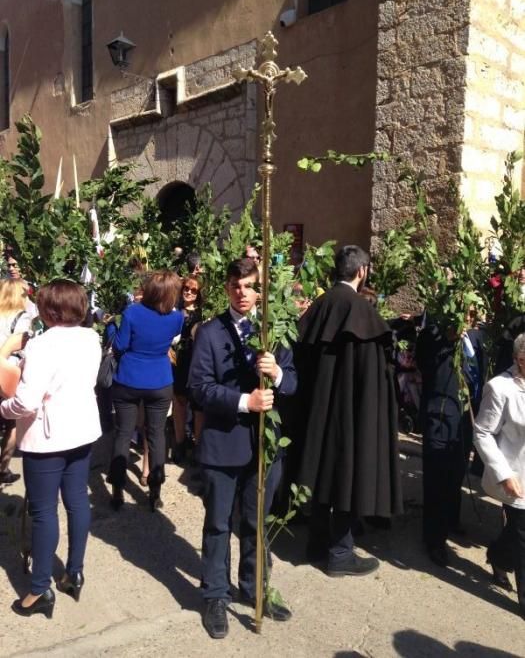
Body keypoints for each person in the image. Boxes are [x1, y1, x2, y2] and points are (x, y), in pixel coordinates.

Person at [188, 258, 297, 639]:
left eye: (250, 285)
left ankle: (254, 588)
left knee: (257, 523)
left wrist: (278, 374)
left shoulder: (273, 329)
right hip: (223, 443)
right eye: (236, 285)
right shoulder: (211, 333)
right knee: (219, 523)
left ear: (260, 288)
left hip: (264, 448)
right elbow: (198, 386)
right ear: (226, 289)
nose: (243, 292)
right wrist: (242, 401)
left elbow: (294, 382)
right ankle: (215, 594)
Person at [297, 245, 402, 576]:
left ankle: (316, 544)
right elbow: (373, 376)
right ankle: (340, 554)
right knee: (345, 474)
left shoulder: (320, 305)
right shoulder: (361, 311)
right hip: (351, 412)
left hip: (317, 409)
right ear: (362, 271)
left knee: (320, 470)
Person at [0, 279, 101, 618]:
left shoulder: (43, 347)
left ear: (48, 309)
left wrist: (3, 409)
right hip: (81, 430)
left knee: (44, 511)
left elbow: (26, 403)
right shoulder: (91, 338)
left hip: (48, 438)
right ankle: (75, 570)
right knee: (76, 502)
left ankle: (40, 587)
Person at [107, 270, 183, 512]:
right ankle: (155, 491)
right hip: (160, 380)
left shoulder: (132, 313)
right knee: (157, 435)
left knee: (123, 433)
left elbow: (119, 346)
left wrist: (110, 326)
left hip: (129, 378)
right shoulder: (177, 318)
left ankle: (117, 490)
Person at [416, 309, 486, 566]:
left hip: (466, 419)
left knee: (456, 473)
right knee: (436, 478)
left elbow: (480, 374)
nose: (469, 314)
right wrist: (447, 338)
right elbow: (424, 365)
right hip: (440, 416)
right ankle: (433, 539)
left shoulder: (477, 337)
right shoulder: (432, 335)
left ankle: (451, 519)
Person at [474, 333, 525, 619]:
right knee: (523, 534)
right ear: (520, 359)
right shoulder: (500, 388)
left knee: (517, 534)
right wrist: (503, 473)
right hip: (517, 475)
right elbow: (482, 432)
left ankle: (497, 556)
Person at [0, 279, 32, 485]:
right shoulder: (23, 319)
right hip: (7, 375)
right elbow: (25, 350)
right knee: (11, 423)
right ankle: (2, 468)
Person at [171, 274, 204, 464]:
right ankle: (179, 443)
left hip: (198, 360)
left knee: (199, 407)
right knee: (179, 402)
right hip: (180, 362)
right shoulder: (175, 311)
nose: (189, 292)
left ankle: (198, 448)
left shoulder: (203, 313)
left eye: (194, 290)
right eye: (186, 289)